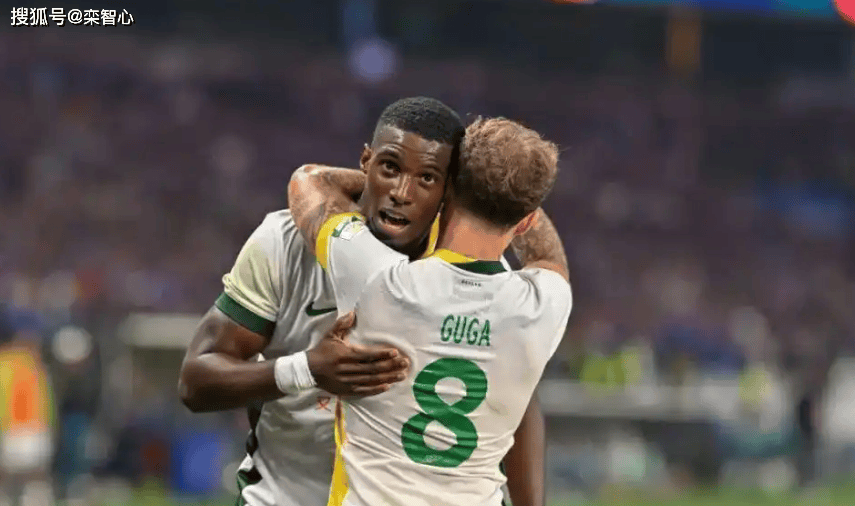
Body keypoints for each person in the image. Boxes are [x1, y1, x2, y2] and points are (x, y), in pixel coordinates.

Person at [178, 98, 548, 506]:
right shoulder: (284, 242)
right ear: (366, 162)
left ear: (449, 192)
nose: (401, 193)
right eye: (389, 168)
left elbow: (517, 404)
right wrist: (306, 369)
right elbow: (195, 381)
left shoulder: (473, 274)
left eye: (427, 178)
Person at [288, 116, 571, 506]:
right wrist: (516, 196)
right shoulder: (545, 305)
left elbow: (309, 182)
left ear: (448, 187)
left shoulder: (377, 278)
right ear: (526, 221)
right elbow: (548, 257)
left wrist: (429, 187)